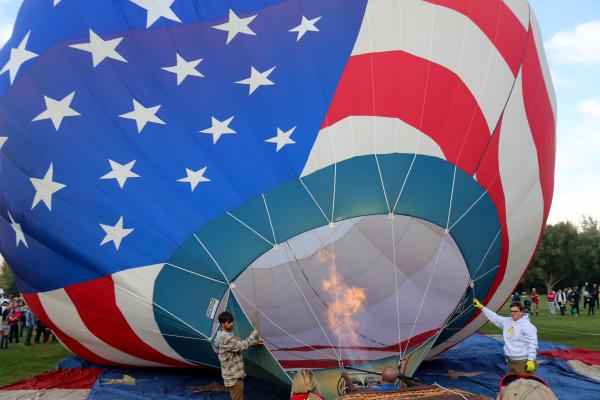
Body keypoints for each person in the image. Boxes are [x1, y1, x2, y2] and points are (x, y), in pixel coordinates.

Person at [473, 299, 538, 374]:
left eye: (515, 311)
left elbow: (532, 344)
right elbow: (495, 318)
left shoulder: (529, 327)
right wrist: (482, 307)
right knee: (514, 383)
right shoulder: (507, 321)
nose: (512, 313)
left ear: (521, 312)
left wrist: (530, 360)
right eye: (511, 311)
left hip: (523, 361)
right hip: (510, 361)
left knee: (526, 384)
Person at [214, 311, 264, 400]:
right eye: (229, 323)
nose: (232, 324)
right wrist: (253, 335)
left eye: (232, 322)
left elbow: (237, 344)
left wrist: (255, 342)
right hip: (234, 377)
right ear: (222, 323)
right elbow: (239, 346)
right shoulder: (226, 337)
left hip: (231, 375)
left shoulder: (222, 335)